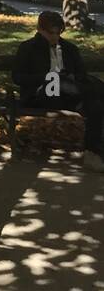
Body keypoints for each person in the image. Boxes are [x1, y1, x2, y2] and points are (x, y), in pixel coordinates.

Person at [14, 11, 104, 172]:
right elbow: (18, 77)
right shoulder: (28, 48)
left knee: (95, 106)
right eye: (51, 33)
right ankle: (84, 89)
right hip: (41, 94)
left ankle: (92, 153)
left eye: (58, 33)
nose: (55, 37)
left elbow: (81, 75)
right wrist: (46, 77)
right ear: (40, 30)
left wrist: (70, 78)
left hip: (70, 95)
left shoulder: (69, 49)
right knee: (58, 81)